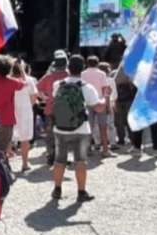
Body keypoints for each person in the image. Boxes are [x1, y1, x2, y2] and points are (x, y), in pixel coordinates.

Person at [51, 55, 101, 202]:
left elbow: (55, 99)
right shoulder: (86, 87)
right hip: (81, 129)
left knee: (59, 160)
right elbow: (97, 106)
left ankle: (57, 189)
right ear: (83, 68)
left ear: (68, 67)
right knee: (80, 161)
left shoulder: (57, 85)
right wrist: (105, 98)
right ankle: (81, 192)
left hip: (60, 128)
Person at [0, 55, 25, 155]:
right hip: (6, 120)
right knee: (1, 151)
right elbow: (23, 82)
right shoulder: (11, 82)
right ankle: (1, 169)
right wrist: (21, 68)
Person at [37, 50, 70, 165]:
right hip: (66, 110)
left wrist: (45, 98)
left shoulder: (48, 76)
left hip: (50, 108)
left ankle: (51, 155)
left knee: (50, 134)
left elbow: (38, 89)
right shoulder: (70, 75)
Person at [81, 55, 113, 157]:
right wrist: (107, 105)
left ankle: (88, 149)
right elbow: (105, 91)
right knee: (103, 127)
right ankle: (105, 150)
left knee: (88, 127)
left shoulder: (82, 74)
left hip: (87, 103)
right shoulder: (102, 74)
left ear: (87, 63)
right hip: (100, 102)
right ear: (98, 63)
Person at [11, 59, 38, 172]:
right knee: (25, 139)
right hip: (25, 111)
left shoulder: (8, 79)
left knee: (8, 137)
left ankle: (7, 164)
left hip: (11, 110)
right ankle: (25, 163)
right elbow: (34, 96)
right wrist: (28, 106)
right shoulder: (29, 80)